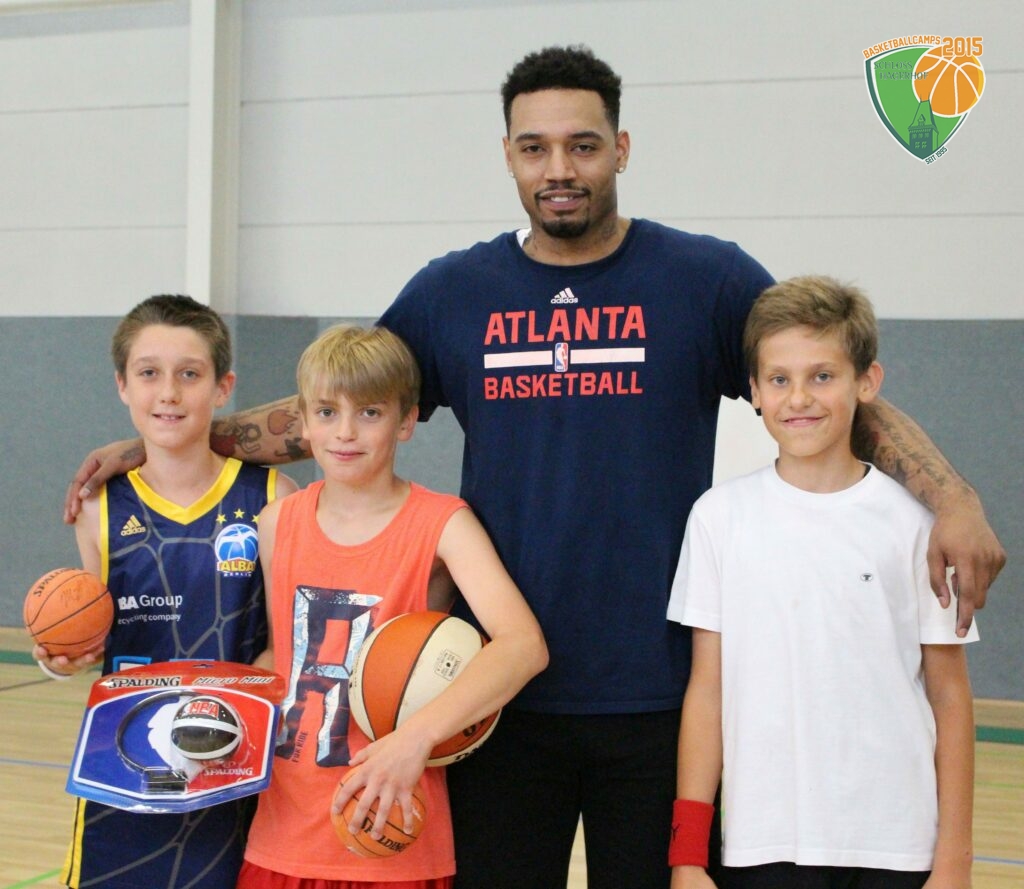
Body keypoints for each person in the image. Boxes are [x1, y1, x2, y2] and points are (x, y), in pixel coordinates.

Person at [63, 46, 1004, 889]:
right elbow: (338, 406)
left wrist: (952, 496)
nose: (560, 168)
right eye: (535, 148)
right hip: (494, 698)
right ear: (509, 157)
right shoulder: (455, 291)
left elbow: (825, 378)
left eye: (583, 146)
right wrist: (176, 441)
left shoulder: (704, 279)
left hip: (659, 692)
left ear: (621, 150)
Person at [667, 276, 976, 889]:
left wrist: (954, 860)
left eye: (823, 376)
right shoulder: (718, 518)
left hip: (898, 847)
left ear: (867, 382)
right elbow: (708, 692)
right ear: (755, 391)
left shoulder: (918, 525)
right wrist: (687, 855)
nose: (800, 398)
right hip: (761, 843)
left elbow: (949, 697)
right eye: (779, 379)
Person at [236, 323, 548, 889]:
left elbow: (524, 646)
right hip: (283, 834)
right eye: (327, 412)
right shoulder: (277, 523)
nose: (345, 432)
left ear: (406, 421)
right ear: (303, 422)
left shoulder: (442, 523)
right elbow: (283, 656)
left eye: (370, 413)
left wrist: (416, 737)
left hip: (393, 828)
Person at [38, 294, 298, 889]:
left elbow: (286, 640)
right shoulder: (98, 508)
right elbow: (89, 633)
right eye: (149, 373)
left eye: (190, 374)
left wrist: (237, 704)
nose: (169, 393)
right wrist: (62, 657)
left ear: (223, 387)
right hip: (124, 765)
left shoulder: (273, 498)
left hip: (233, 766)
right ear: (122, 386)